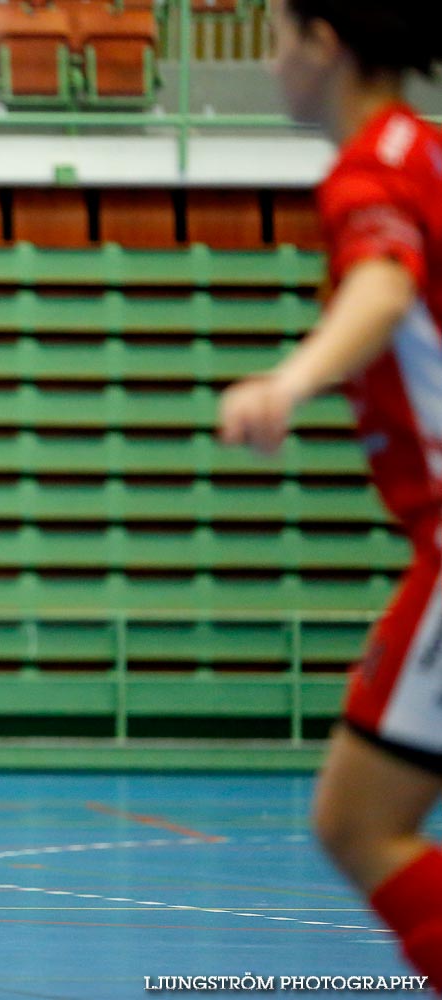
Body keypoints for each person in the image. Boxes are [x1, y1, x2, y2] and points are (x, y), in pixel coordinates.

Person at [218, 0, 442, 986]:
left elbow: (384, 282)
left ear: (326, 42)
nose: (270, 65)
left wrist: (288, 383)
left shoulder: (374, 166)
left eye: (275, 39)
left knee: (355, 820)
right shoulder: (430, 150)